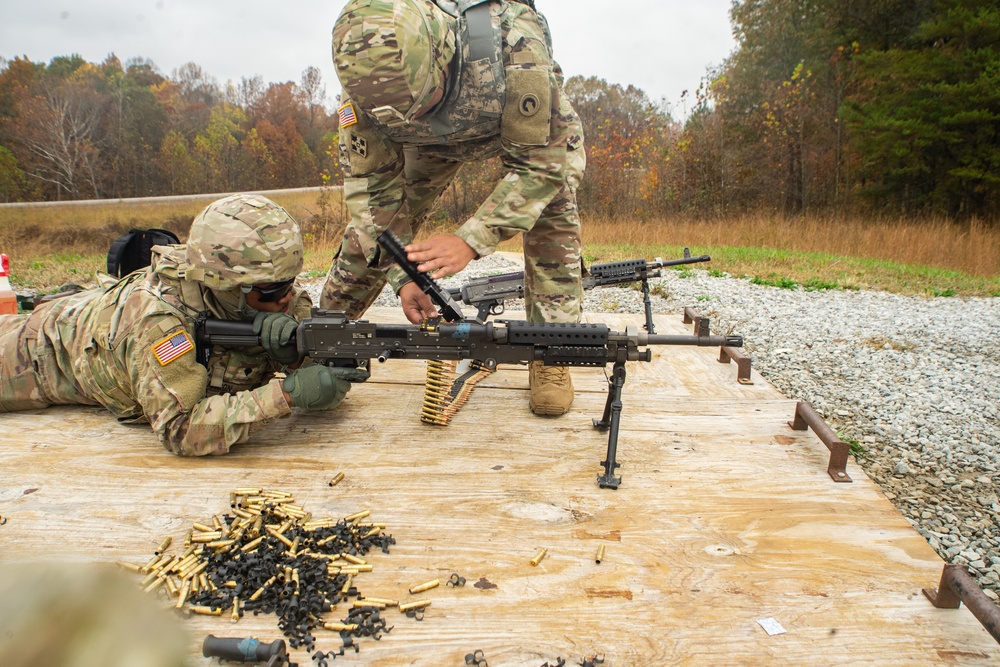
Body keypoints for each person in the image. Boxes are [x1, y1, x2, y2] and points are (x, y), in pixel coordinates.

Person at [322, 0, 586, 416]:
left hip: (523, 136)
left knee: (551, 210)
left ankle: (551, 350)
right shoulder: (367, 82)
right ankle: (322, 332)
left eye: (417, 101)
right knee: (370, 238)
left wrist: (472, 240)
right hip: (429, 145)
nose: (405, 114)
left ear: (442, 55)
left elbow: (541, 167)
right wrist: (402, 276)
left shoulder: (515, 42)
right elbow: (374, 195)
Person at [0, 194, 366, 455]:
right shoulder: (159, 322)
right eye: (273, 289)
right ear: (224, 285)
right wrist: (285, 395)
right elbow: (181, 429)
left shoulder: (263, 288)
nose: (287, 297)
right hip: (37, 354)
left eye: (290, 281)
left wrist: (304, 357)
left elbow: (312, 354)